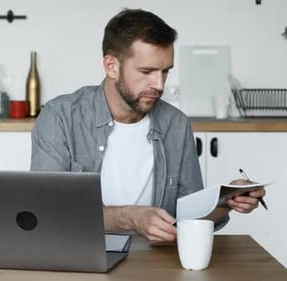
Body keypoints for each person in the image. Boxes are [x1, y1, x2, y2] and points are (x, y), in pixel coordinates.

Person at [30, 8, 266, 243]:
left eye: (165, 72)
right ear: (112, 66)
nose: (159, 85)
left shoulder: (176, 124)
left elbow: (189, 219)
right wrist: (130, 218)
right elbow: (48, 210)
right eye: (147, 72)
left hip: (154, 261)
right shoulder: (60, 117)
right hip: (79, 254)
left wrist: (226, 201)